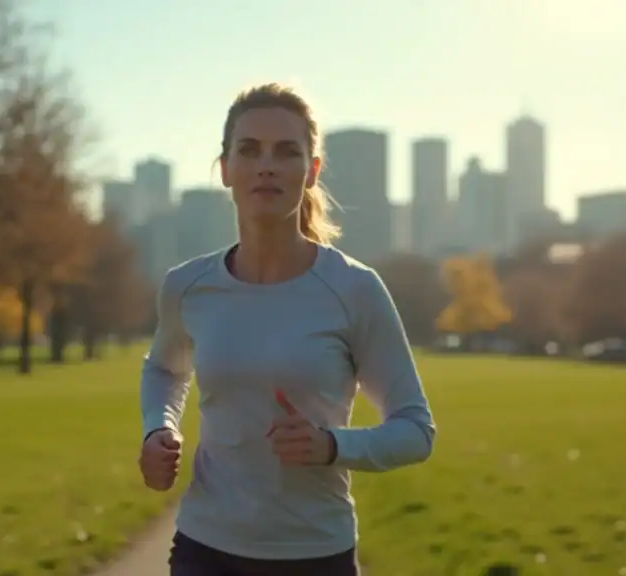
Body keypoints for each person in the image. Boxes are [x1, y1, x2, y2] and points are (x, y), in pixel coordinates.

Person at [137, 82, 436, 576]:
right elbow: (164, 369)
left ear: (311, 171)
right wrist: (158, 428)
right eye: (250, 150)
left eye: (286, 151)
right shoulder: (187, 286)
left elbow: (415, 430)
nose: (267, 165)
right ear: (226, 169)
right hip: (204, 548)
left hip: (315, 554)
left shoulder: (354, 288)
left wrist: (332, 445)